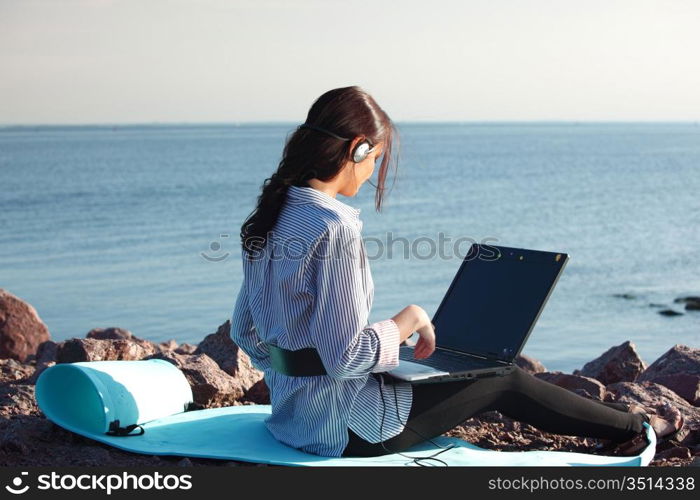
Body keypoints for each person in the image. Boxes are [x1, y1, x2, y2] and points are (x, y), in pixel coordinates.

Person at [231, 85, 683, 458]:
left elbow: (247, 333)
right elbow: (345, 356)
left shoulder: (271, 214)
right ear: (357, 149)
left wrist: (300, 373)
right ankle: (639, 426)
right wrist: (408, 320)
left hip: (292, 422)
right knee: (501, 377)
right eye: (375, 161)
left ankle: (629, 424)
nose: (371, 175)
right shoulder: (335, 227)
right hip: (345, 432)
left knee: (443, 372)